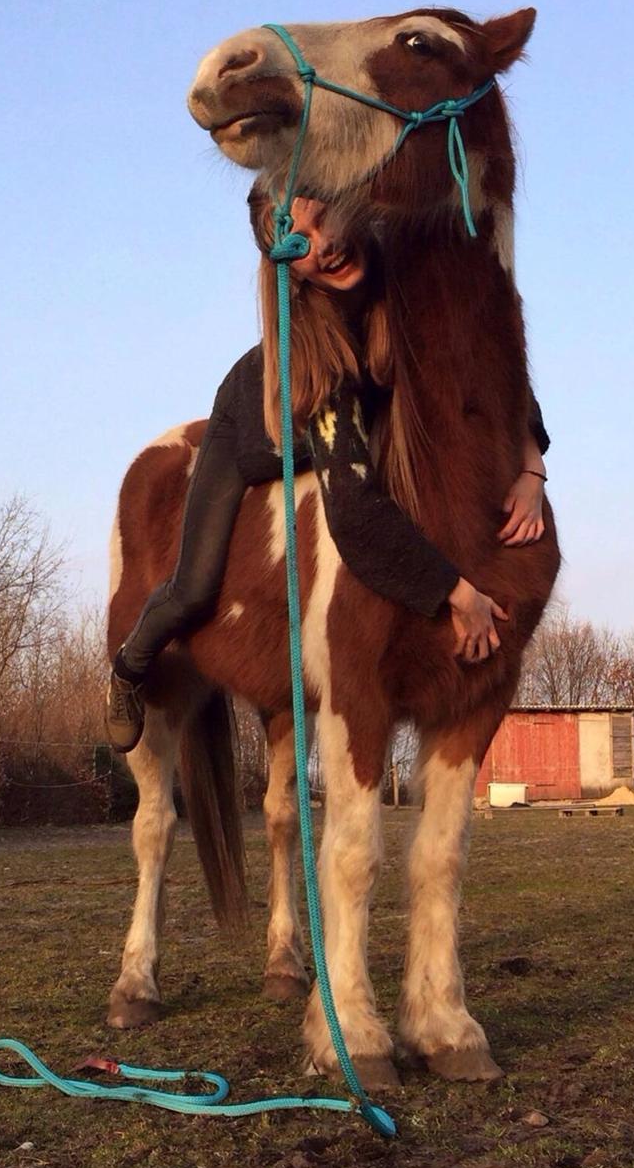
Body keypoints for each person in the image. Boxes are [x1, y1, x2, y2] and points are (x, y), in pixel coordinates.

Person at [105, 196, 550, 752]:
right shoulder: (317, 349)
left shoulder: (403, 278)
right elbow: (357, 516)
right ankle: (128, 668)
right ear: (286, 265)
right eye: (301, 240)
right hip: (259, 430)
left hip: (367, 417)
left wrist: (532, 467)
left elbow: (486, 358)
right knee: (193, 587)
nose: (325, 244)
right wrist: (456, 595)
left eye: (325, 217)